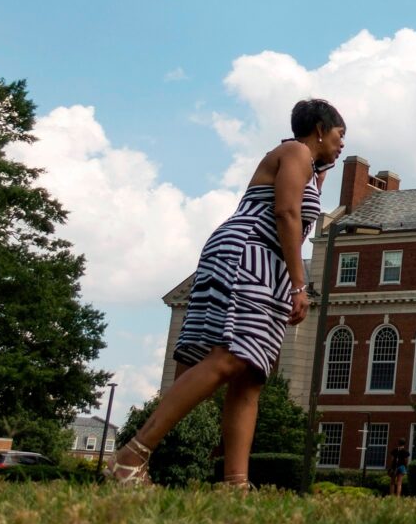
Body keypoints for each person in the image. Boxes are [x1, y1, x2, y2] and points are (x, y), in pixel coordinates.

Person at [108, 99, 345, 488]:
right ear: (320, 129)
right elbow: (286, 212)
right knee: (231, 356)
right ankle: (131, 456)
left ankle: (235, 485)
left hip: (265, 260)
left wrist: (319, 176)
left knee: (250, 376)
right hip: (250, 252)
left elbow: (296, 211)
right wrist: (299, 285)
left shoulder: (305, 163)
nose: (340, 146)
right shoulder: (296, 151)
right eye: (339, 136)